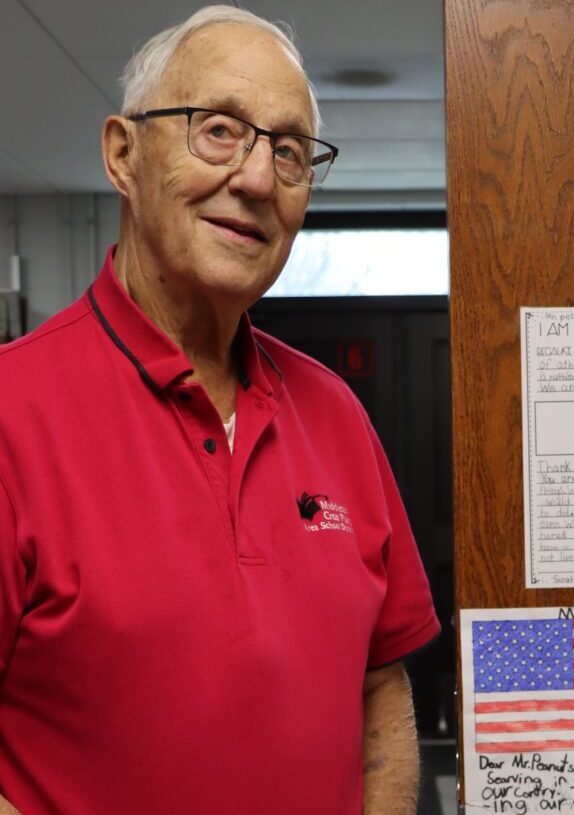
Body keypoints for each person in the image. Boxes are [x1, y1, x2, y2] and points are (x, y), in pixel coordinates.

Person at [0, 7, 439, 814]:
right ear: (123, 155)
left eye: (290, 152)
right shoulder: (12, 414)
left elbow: (383, 684)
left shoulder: (337, 416)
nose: (258, 180)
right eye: (218, 131)